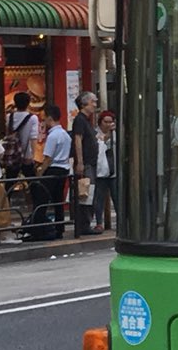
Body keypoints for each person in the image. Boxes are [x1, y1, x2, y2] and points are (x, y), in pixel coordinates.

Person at [31, 104, 72, 241]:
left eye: (44, 119)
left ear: (50, 118)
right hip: (63, 169)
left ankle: (38, 229)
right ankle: (59, 228)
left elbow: (48, 158)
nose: (43, 122)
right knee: (58, 199)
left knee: (41, 200)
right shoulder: (65, 135)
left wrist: (40, 171)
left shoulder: (53, 136)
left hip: (53, 168)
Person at [71, 90, 100, 236]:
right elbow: (78, 140)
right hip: (87, 163)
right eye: (93, 102)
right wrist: (80, 162)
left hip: (91, 162)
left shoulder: (86, 120)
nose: (95, 104)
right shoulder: (80, 120)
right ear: (84, 104)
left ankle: (86, 223)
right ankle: (84, 224)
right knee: (86, 194)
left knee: (90, 193)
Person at [92, 108, 117, 233]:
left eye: (110, 122)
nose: (108, 124)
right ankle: (99, 222)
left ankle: (121, 222)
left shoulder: (116, 134)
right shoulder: (95, 134)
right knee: (99, 198)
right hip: (101, 171)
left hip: (114, 171)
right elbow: (98, 144)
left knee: (117, 197)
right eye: (105, 122)